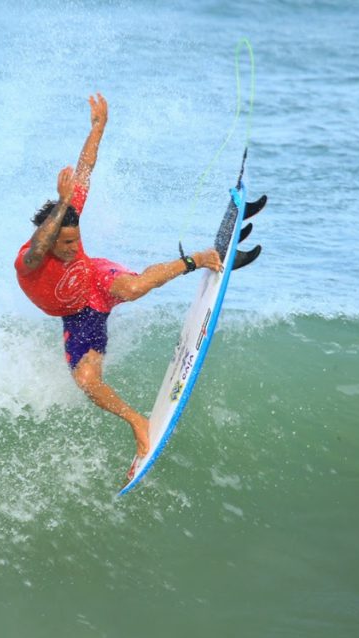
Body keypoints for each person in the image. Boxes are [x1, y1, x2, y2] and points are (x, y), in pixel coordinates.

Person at [14, 93, 228, 459]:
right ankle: (136, 423)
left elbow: (84, 170)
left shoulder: (73, 230)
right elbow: (40, 245)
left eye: (75, 239)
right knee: (87, 382)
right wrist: (61, 203)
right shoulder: (29, 260)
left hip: (97, 279)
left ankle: (199, 258)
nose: (71, 246)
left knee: (133, 287)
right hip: (80, 315)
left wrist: (98, 127)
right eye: (63, 243)